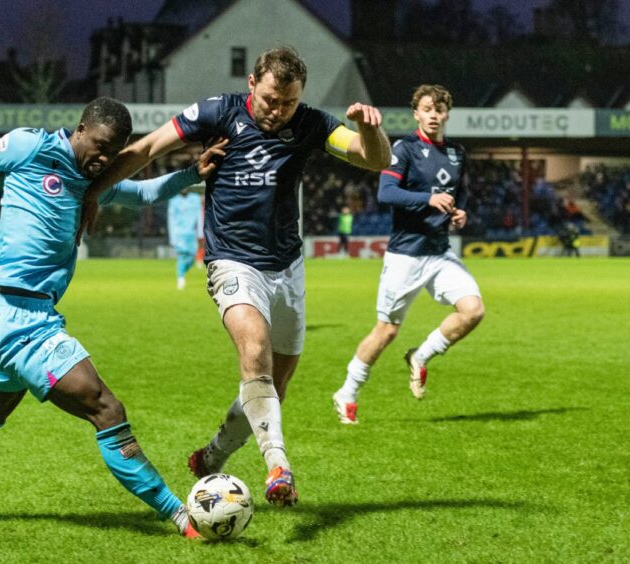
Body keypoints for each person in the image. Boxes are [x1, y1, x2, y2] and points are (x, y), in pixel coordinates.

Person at [0, 97, 226, 538]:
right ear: (81, 129)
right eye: (101, 146)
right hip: (25, 322)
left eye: (116, 152)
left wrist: (191, 174)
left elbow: (144, 192)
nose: (105, 160)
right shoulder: (30, 147)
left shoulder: (91, 180)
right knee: (107, 409)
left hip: (9, 318)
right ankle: (183, 519)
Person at [81, 47, 390, 506]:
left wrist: (371, 128)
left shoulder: (309, 123)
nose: (277, 111)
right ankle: (278, 467)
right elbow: (146, 148)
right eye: (269, 99)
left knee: (273, 387)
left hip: (287, 268)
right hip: (232, 261)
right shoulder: (216, 112)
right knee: (255, 349)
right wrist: (94, 192)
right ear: (252, 84)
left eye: (287, 103)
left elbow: (374, 159)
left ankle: (212, 456)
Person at [332, 84, 485, 425]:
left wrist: (460, 213)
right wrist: (427, 200)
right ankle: (347, 392)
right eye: (427, 109)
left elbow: (459, 196)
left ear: (447, 114)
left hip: (440, 252)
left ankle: (421, 355)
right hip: (406, 256)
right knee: (386, 331)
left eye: (440, 110)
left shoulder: (457, 154)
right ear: (417, 113)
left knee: (473, 310)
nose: (434, 115)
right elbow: (386, 193)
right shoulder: (404, 149)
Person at [167, 187, 203, 289]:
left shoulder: (195, 199)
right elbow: (171, 219)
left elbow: (199, 216)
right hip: (179, 234)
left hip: (191, 233)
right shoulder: (173, 200)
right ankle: (181, 278)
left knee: (192, 258)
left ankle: (182, 271)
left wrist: (200, 233)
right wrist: (172, 238)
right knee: (182, 257)